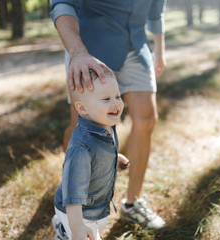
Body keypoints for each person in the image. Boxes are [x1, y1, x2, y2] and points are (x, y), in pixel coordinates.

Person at [50, 0, 167, 229]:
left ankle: (132, 204)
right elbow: (62, 4)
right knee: (80, 125)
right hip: (88, 48)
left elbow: (156, 9)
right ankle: (72, 208)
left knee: (147, 118)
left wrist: (160, 50)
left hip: (136, 45)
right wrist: (77, 52)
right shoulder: (82, 50)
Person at [52, 69, 130, 240]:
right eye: (106, 99)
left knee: (96, 228)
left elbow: (100, 154)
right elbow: (73, 191)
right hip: (78, 213)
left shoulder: (105, 124)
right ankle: (67, 228)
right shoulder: (82, 148)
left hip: (96, 208)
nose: (116, 103)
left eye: (117, 96)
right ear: (82, 108)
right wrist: (77, 225)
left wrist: (114, 158)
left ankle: (64, 229)